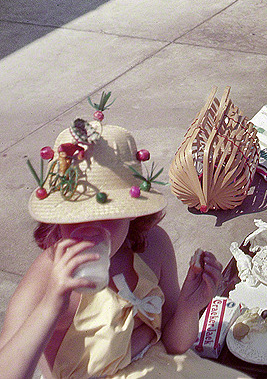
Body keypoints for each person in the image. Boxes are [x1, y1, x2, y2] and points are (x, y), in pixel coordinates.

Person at [0, 112, 249, 379]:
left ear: (132, 212)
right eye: (73, 216)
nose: (89, 230)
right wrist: (52, 303)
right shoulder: (47, 275)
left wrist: (190, 308)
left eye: (106, 215)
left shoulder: (153, 246)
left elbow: (175, 345)